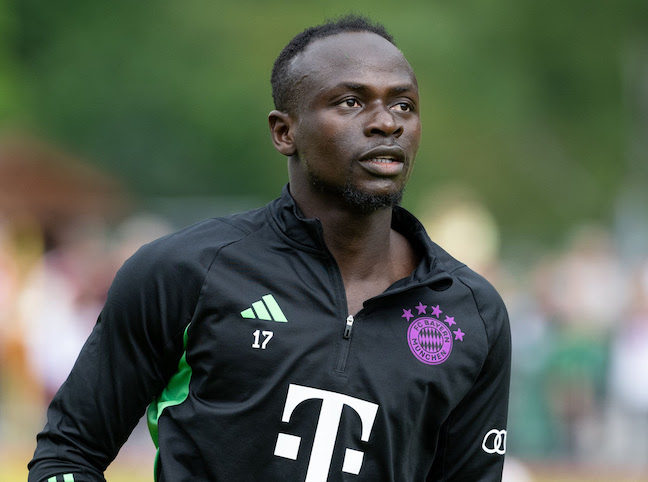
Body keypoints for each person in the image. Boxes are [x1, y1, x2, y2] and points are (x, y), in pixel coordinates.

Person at [28, 15, 511, 482]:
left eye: (403, 105)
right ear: (285, 132)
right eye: (350, 102)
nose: (386, 123)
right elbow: (68, 454)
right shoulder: (185, 271)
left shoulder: (470, 312)